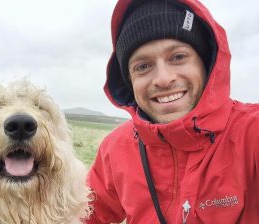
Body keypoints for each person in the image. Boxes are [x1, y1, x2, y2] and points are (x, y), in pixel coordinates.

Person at [86, 0, 259, 223]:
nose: (164, 79)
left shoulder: (252, 133)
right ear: (129, 80)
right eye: (143, 66)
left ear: (205, 63)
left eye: (178, 57)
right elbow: (84, 215)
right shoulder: (115, 148)